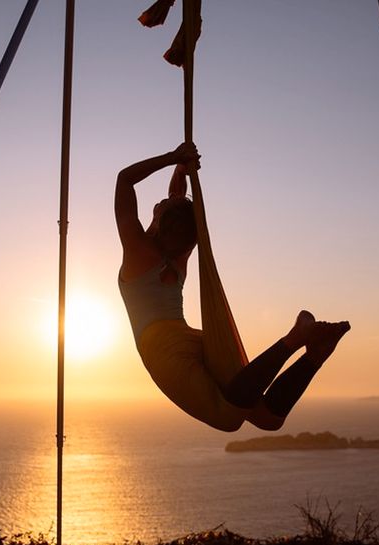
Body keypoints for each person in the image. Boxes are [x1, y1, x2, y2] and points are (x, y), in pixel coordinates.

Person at [116, 142, 350, 432]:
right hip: (191, 338)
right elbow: (176, 197)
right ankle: (314, 356)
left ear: (162, 221)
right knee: (267, 419)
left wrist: (172, 158)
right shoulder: (179, 255)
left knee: (228, 419)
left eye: (164, 204)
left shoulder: (138, 251)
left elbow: (124, 179)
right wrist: (180, 166)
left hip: (162, 350)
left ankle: (293, 339)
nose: (162, 200)